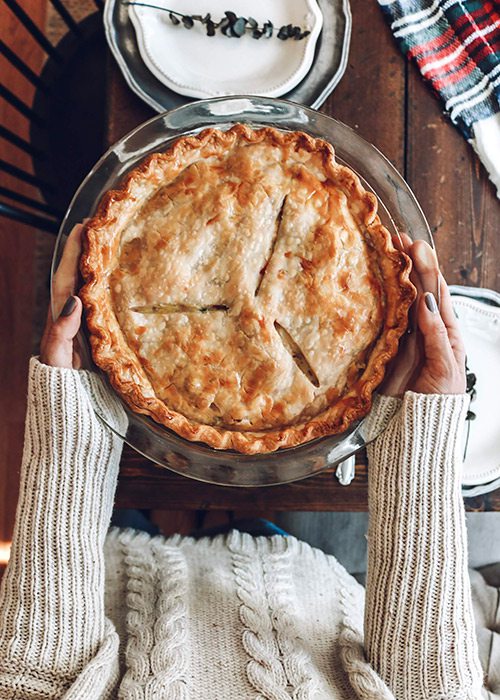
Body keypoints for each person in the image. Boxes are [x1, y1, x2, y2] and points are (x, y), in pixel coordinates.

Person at [0, 228, 485, 699]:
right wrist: (416, 434)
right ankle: (222, 522)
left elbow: (33, 677)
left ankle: (187, 522)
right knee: (257, 526)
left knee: (135, 523)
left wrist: (74, 419)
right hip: (293, 572)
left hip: (113, 584)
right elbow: (432, 686)